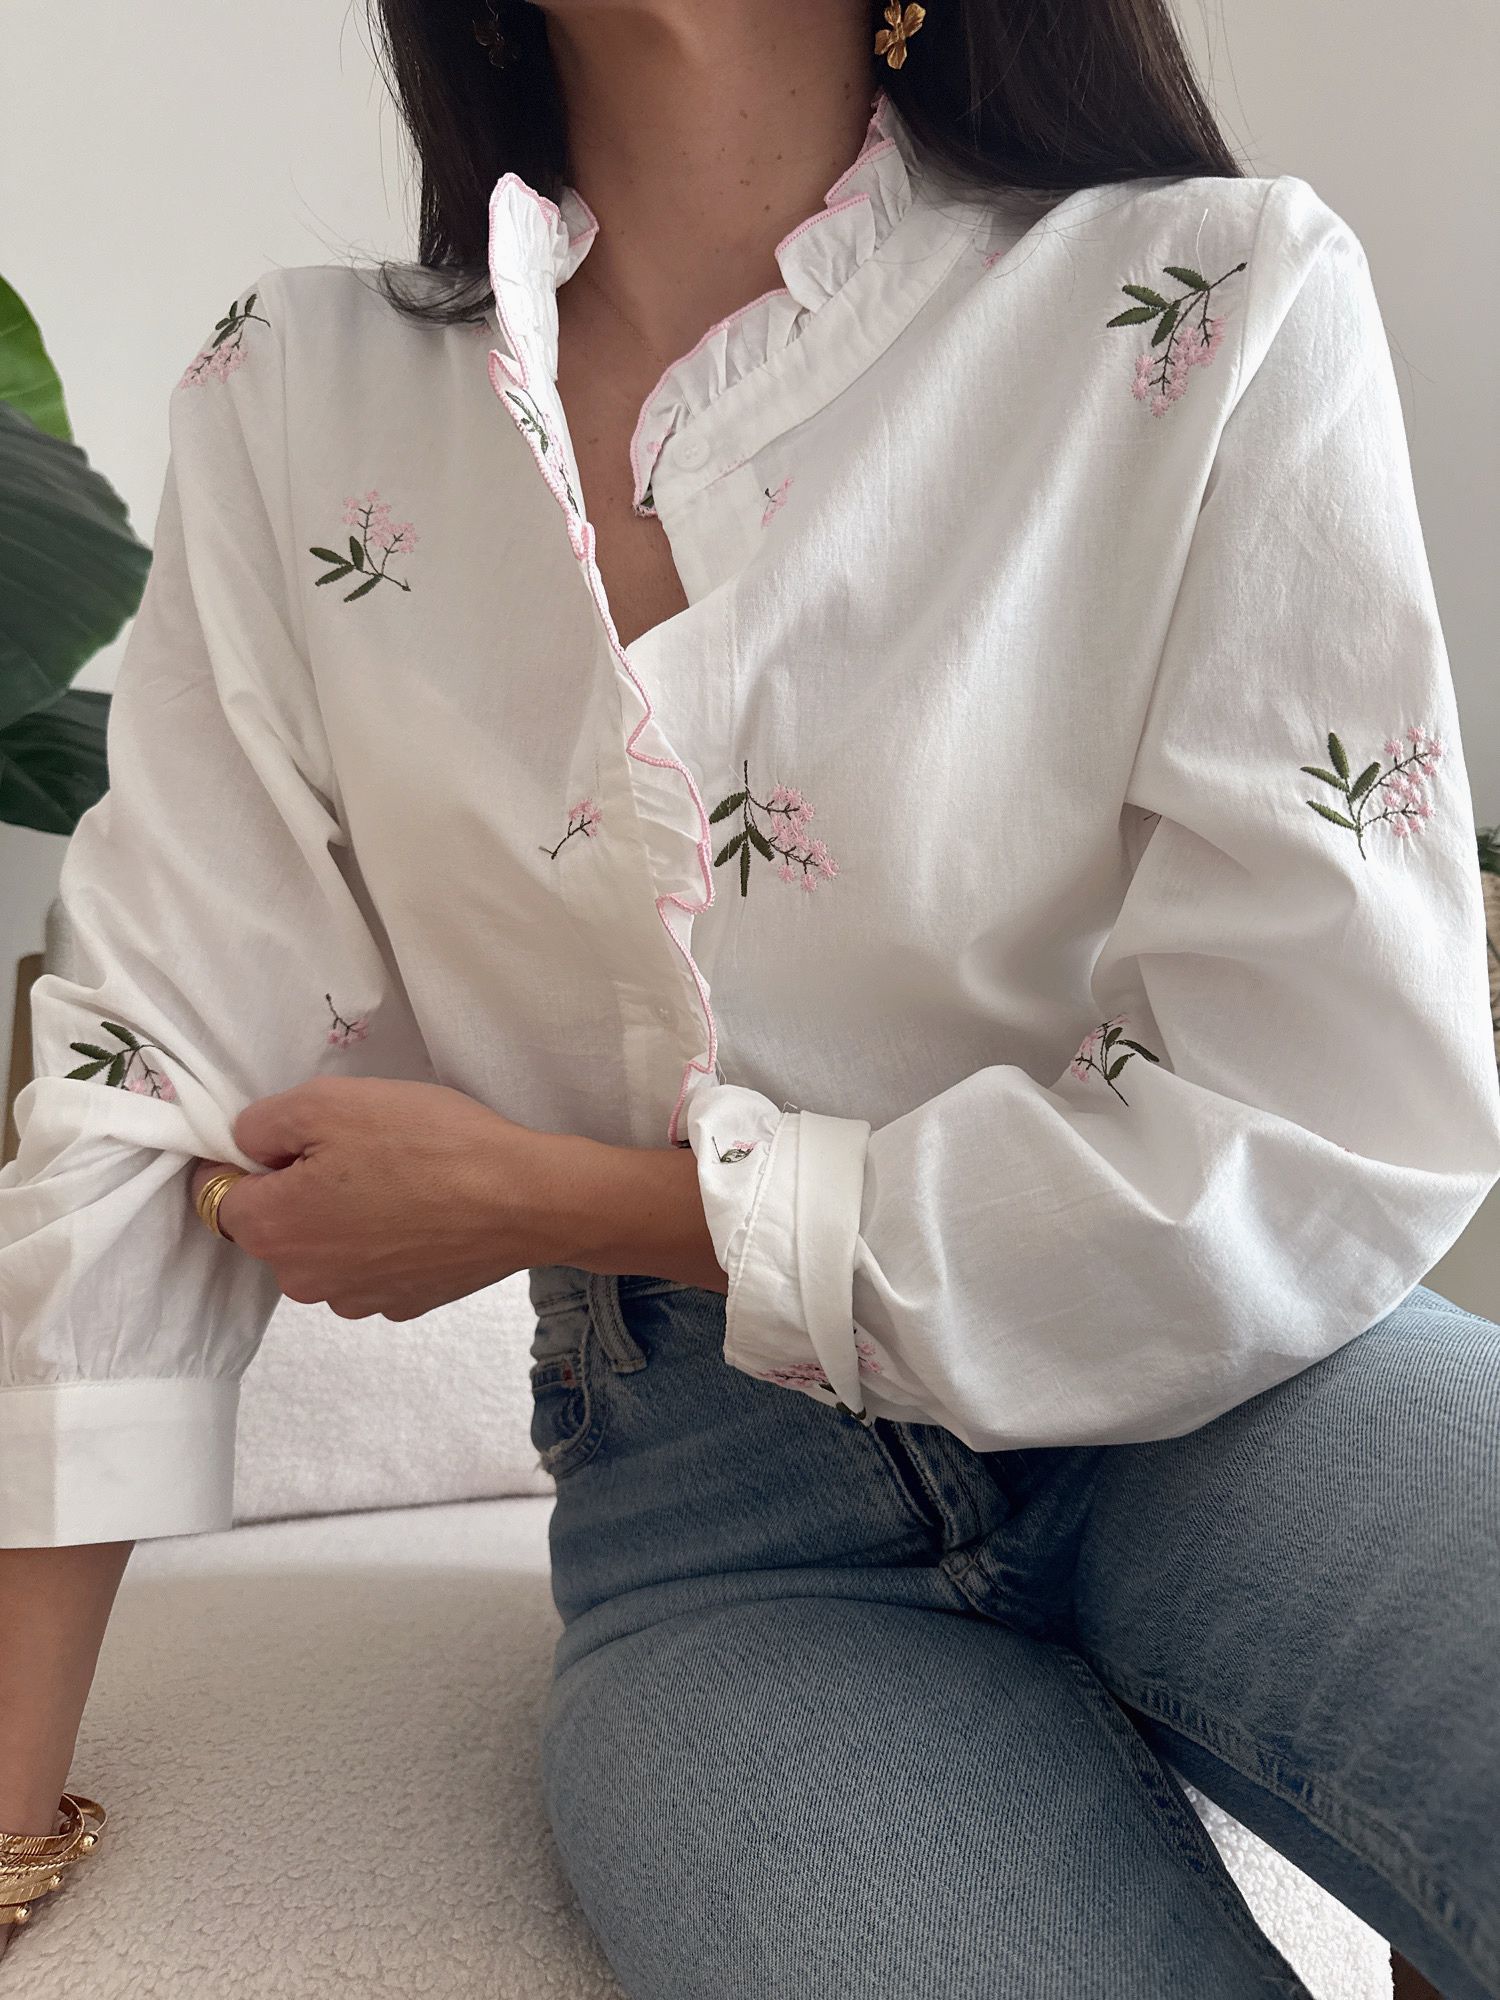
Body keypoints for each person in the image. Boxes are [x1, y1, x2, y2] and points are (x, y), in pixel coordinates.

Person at [2, 0, 1498, 1988]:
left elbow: (1317, 1102)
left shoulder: (1212, 294)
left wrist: (563, 1200)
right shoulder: (302, 392)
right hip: (728, 1523)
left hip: (1254, 1391)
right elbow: (146, 1073)